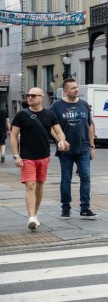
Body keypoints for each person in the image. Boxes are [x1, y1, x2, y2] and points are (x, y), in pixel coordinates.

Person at [10, 88, 69, 230]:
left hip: (43, 156)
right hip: (27, 157)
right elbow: (13, 136)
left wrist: (61, 141)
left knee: (40, 186)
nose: (30, 97)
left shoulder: (50, 114)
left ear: (41, 97)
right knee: (30, 185)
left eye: (33, 95)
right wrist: (16, 156)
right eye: (28, 95)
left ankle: (34, 215)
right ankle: (31, 217)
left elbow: (59, 132)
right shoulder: (21, 115)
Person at [51, 79, 97, 220]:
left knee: (86, 177)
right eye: (72, 88)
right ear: (65, 91)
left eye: (77, 87)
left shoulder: (83, 104)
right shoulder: (56, 106)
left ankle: (85, 208)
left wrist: (92, 145)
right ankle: (66, 208)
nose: (76, 90)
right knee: (66, 179)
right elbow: (51, 127)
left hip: (83, 147)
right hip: (66, 149)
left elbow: (90, 126)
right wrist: (60, 141)